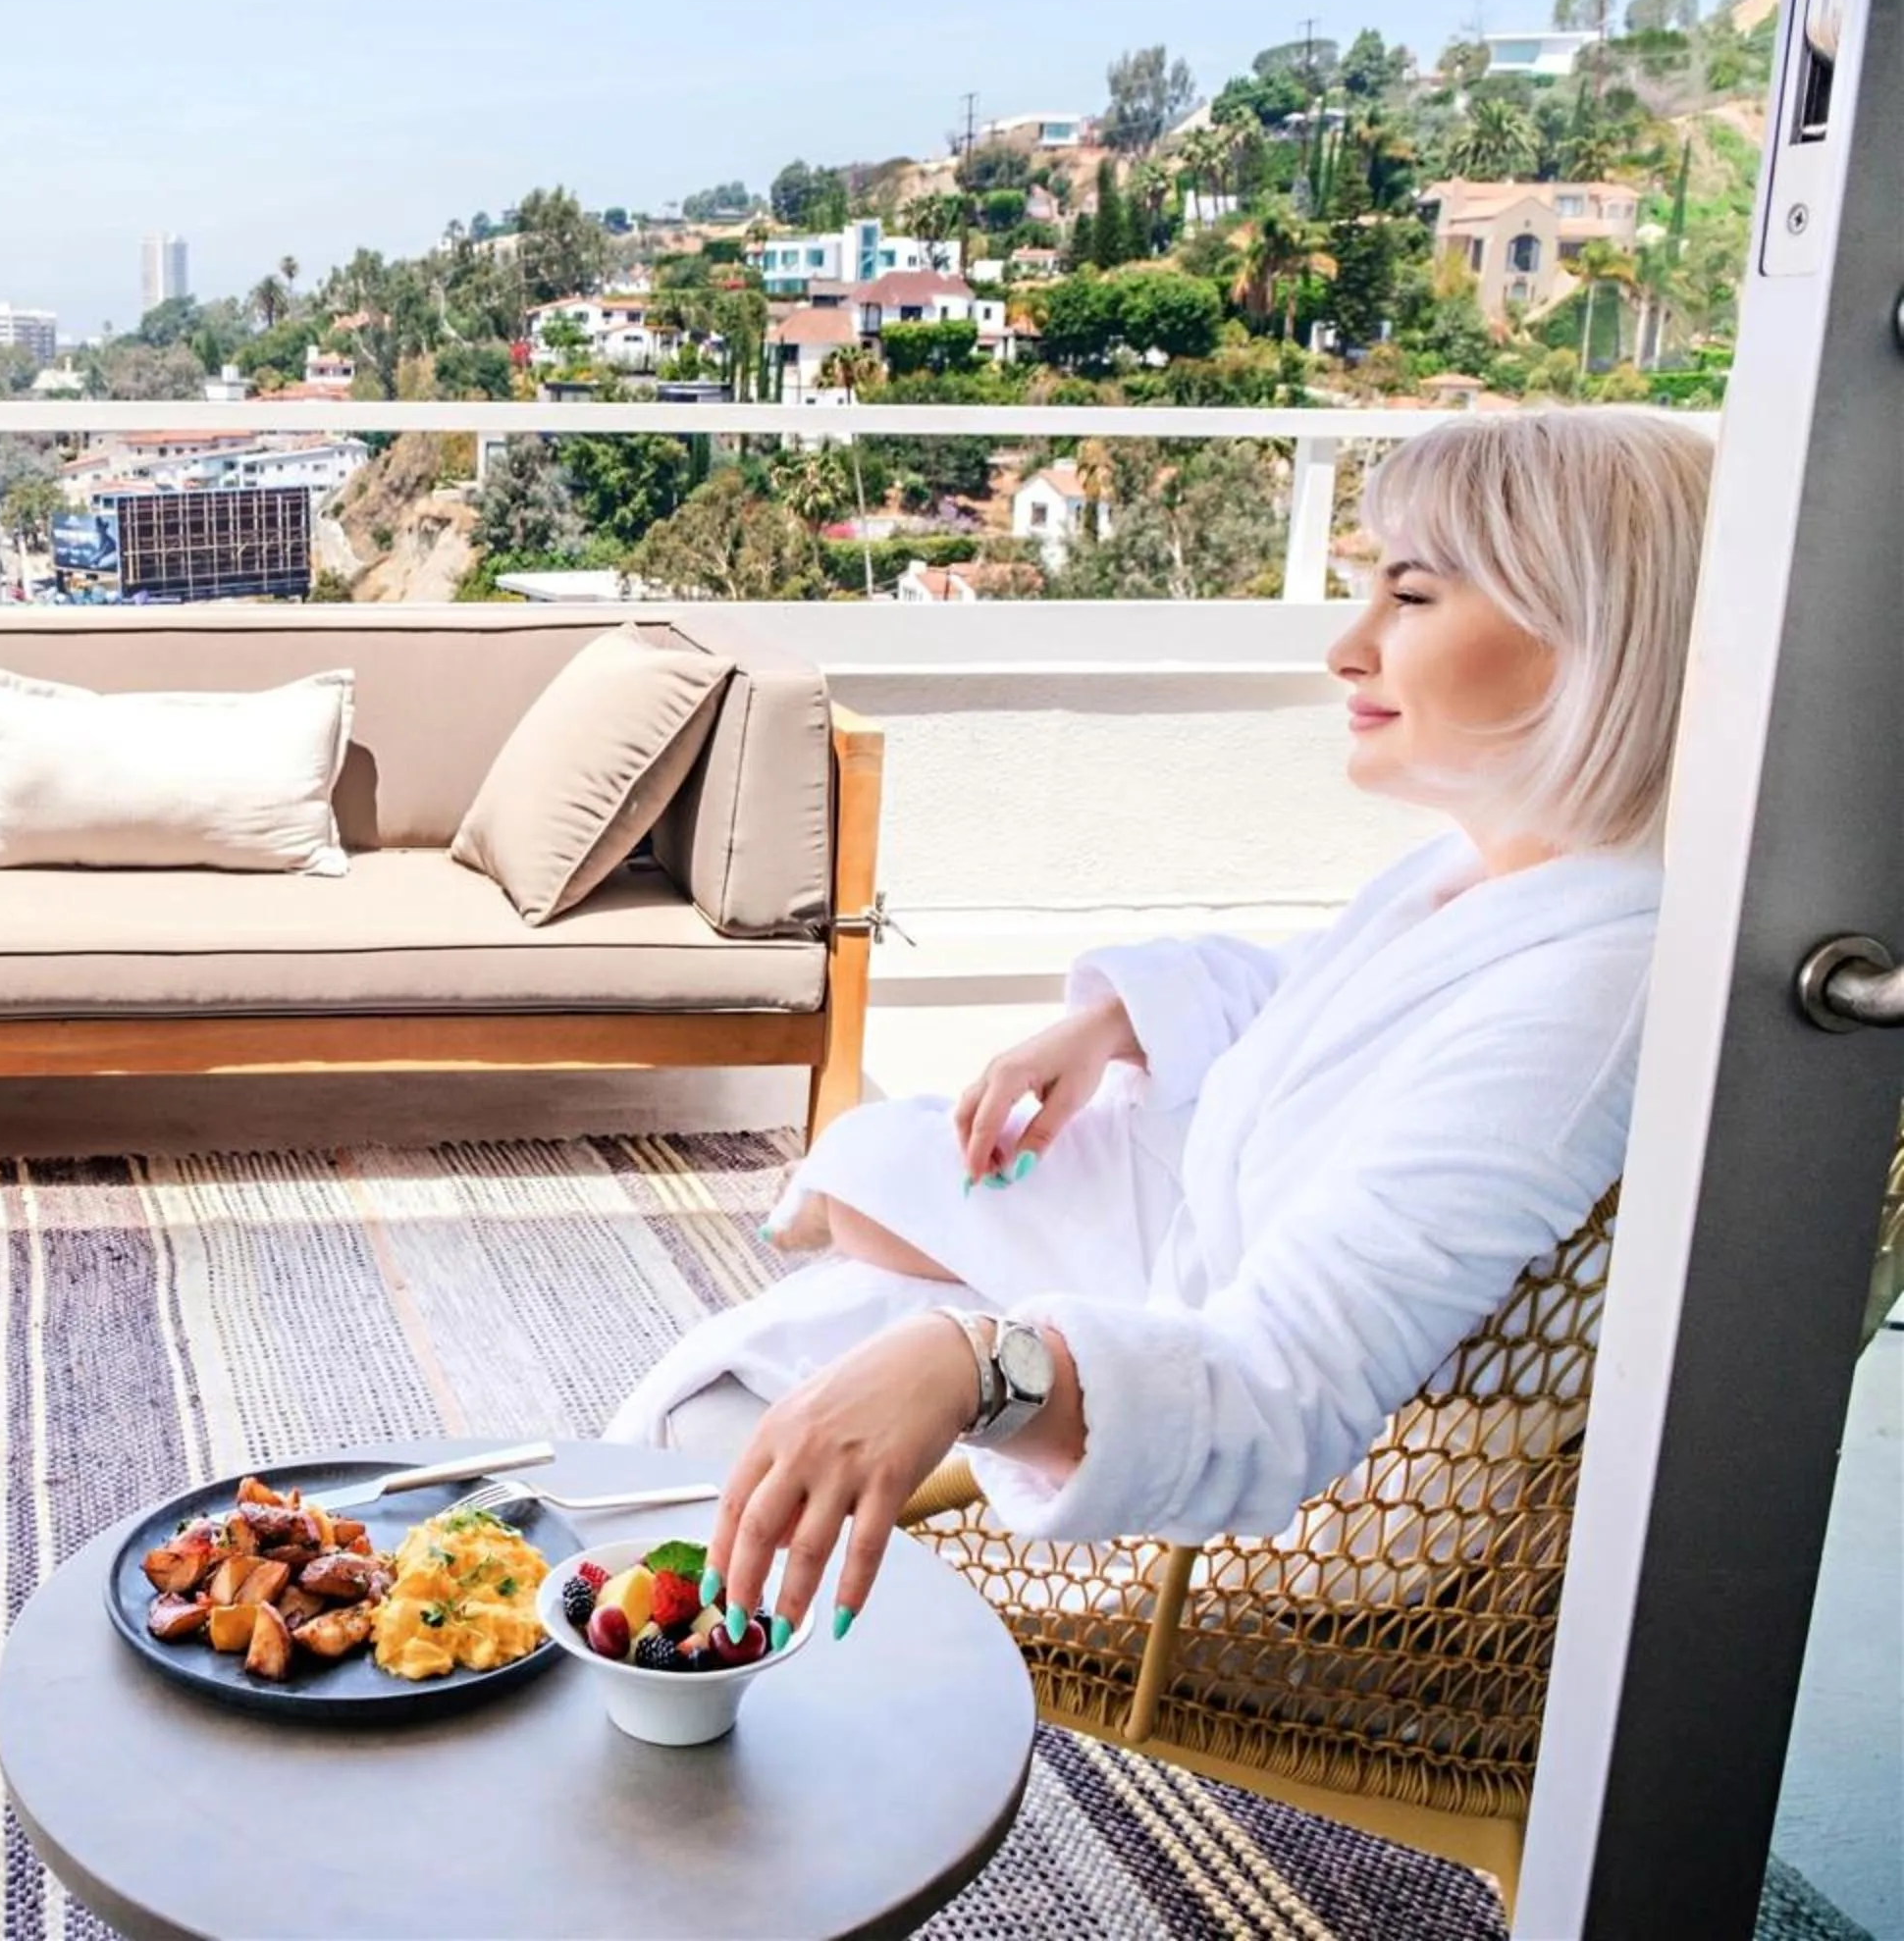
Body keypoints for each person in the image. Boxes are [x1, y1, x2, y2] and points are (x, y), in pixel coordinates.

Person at [606, 408, 1716, 1646]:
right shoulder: (1494, 885)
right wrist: (1113, 1023)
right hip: (1179, 1297)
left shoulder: (1583, 1001)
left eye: (1409, 597)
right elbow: (1315, 1000)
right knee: (833, 1254)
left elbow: (1283, 1390)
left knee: (690, 1446)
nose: (1346, 650)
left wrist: (976, 1364)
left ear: (1595, 636)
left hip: (1222, 1512)